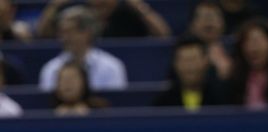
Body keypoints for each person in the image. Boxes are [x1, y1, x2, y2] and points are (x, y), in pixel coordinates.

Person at [39, 6, 128, 92]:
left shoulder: (111, 67)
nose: (64, 38)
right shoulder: (51, 69)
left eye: (69, 32)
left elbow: (116, 102)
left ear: (87, 33)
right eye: (62, 33)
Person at [155, 35, 228, 109]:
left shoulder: (223, 98)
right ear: (175, 64)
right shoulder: (163, 103)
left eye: (193, 59)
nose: (189, 66)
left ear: (206, 61)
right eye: (184, 60)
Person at [36, 0, 171, 39]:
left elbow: (163, 34)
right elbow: (42, 35)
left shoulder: (129, 13)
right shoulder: (77, 14)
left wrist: (140, 7)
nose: (99, 2)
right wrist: (53, 5)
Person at [186, 0, 232, 80]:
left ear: (223, 24)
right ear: (192, 25)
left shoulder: (235, 50)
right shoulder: (181, 51)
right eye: (203, 17)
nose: (208, 21)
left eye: (214, 17)